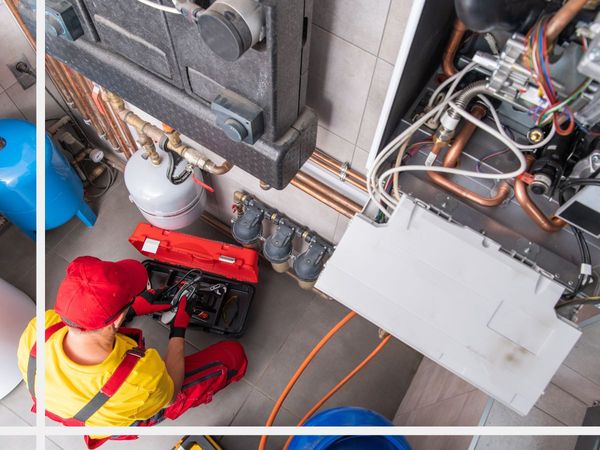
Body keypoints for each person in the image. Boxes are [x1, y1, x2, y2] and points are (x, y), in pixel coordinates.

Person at [17, 256, 247, 449]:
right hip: (119, 416)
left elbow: (86, 323)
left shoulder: (40, 328)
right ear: (117, 319)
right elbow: (171, 393)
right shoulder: (138, 377)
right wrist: (178, 330)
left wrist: (131, 309)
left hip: (70, 407)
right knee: (233, 356)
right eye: (128, 304)